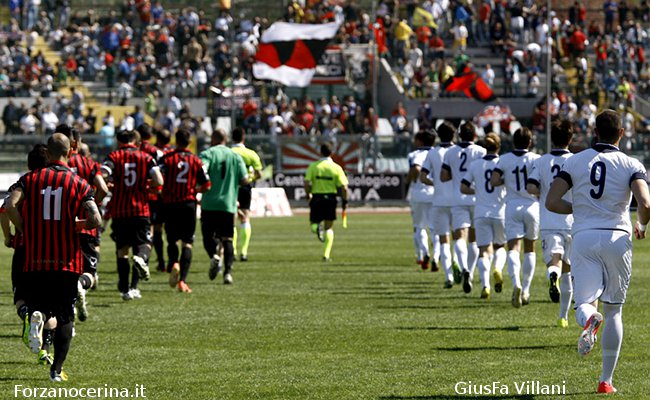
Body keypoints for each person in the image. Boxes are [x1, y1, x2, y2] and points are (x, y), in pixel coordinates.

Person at [546, 109, 650, 394]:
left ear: (594, 132)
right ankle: (606, 381)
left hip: (584, 237)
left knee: (584, 305)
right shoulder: (631, 163)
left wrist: (578, 208)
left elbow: (552, 201)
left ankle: (589, 319)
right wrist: (641, 224)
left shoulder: (575, 160)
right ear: (621, 133)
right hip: (618, 236)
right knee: (615, 310)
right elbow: (646, 202)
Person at [5, 134, 102, 382]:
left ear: (47, 153)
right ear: (70, 152)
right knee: (65, 315)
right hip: (66, 261)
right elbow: (95, 219)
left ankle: (36, 315)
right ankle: (56, 370)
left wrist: (25, 228)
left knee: (37, 304)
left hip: (35, 258)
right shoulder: (79, 183)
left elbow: (9, 205)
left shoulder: (30, 179)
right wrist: (74, 226)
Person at [1, 144, 51, 366]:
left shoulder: (23, 183)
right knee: (50, 301)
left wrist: (12, 234)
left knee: (20, 296)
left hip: (25, 248)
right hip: (52, 250)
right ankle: (45, 350)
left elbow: (6, 208)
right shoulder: (57, 183)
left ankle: (28, 316)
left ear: (29, 165)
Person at [102, 129, 164, 300]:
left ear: (119, 141)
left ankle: (124, 288)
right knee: (143, 244)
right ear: (134, 142)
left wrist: (113, 184)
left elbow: (104, 174)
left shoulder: (114, 156)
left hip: (120, 210)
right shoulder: (146, 157)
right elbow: (159, 181)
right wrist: (146, 185)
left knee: (122, 251)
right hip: (140, 209)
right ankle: (135, 283)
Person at [57, 125, 109, 321]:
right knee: (90, 272)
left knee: (62, 271)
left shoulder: (51, 167)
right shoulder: (88, 164)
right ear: (76, 143)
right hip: (85, 226)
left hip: (59, 227)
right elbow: (102, 188)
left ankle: (65, 316)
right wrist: (93, 205)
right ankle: (82, 285)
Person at [526, 119, 574, 327]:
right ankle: (563, 317)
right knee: (569, 270)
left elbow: (530, 187)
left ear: (551, 138)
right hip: (573, 220)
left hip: (549, 218)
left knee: (554, 261)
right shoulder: (577, 160)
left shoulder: (541, 160)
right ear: (570, 138)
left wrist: (544, 191)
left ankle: (551, 275)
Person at [491, 127, 540, 308]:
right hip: (532, 206)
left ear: (513, 142)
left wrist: (507, 180)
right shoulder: (536, 158)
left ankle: (516, 284)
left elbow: (494, 181)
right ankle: (526, 289)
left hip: (511, 206)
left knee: (513, 248)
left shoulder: (504, 159)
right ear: (529, 142)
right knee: (530, 249)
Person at [159, 129, 211, 293]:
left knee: (172, 240)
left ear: (176, 140)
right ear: (189, 142)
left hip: (170, 204)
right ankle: (183, 282)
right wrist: (195, 191)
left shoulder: (167, 159)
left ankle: (174, 263)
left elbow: (156, 176)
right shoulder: (196, 160)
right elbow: (207, 185)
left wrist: (162, 190)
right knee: (187, 243)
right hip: (188, 204)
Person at [440, 122, 486, 293]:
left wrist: (456, 173)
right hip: (477, 198)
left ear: (459, 135)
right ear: (474, 136)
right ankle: (470, 270)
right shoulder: (481, 152)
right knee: (474, 239)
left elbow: (444, 176)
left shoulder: (450, 152)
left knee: (460, 237)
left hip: (458, 198)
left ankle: (463, 267)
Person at [460, 133, 507, 299]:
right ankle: (498, 269)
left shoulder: (475, 164)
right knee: (500, 247)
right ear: (499, 147)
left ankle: (486, 285)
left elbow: (463, 187)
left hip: (480, 212)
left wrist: (477, 191)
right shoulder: (502, 162)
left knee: (483, 251)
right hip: (500, 211)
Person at [200, 129, 248, 284]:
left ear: (213, 138)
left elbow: (202, 171)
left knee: (208, 237)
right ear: (226, 139)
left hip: (209, 203)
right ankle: (228, 273)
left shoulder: (207, 154)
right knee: (227, 238)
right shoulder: (235, 156)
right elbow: (245, 180)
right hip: (228, 204)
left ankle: (214, 255)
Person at [420, 121, 458, 288]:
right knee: (460, 239)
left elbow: (422, 177)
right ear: (454, 135)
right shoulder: (457, 152)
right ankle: (462, 266)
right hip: (457, 202)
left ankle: (448, 276)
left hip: (439, 201)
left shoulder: (433, 153)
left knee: (443, 241)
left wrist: (435, 183)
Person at [304, 142, 349, 262]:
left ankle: (316, 228)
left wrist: (308, 193)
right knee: (329, 227)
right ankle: (326, 255)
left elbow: (307, 183)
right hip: (330, 198)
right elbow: (344, 187)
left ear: (320, 152)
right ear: (331, 153)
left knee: (313, 223)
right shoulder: (336, 167)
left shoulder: (314, 166)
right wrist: (345, 201)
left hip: (317, 197)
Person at [230, 127, 263, 262]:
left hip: (231, 187)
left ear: (232, 138)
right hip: (245, 187)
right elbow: (259, 174)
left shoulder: (229, 153)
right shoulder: (251, 154)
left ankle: (232, 250)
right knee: (245, 218)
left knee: (231, 221)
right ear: (243, 138)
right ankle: (243, 252)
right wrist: (250, 179)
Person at [408, 130, 439, 270]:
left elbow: (416, 167)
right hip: (436, 194)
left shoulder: (415, 154)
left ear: (420, 141)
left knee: (420, 227)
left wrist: (409, 178)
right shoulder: (439, 152)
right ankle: (437, 257)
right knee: (435, 229)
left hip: (419, 192)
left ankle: (424, 253)